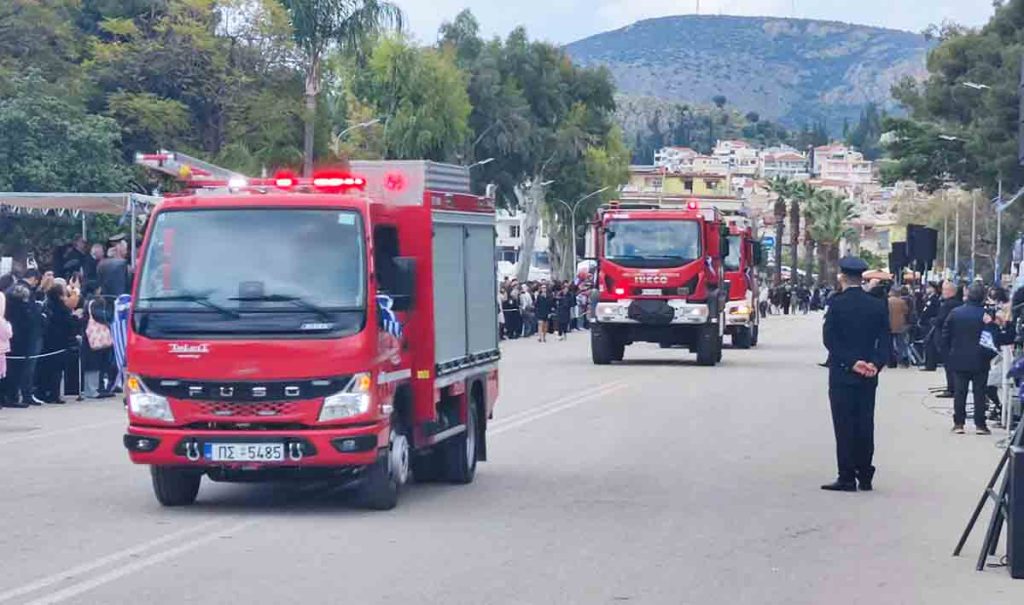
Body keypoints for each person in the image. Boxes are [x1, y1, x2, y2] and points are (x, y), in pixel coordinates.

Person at [821, 256, 889, 492]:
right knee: (865, 423)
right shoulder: (877, 304)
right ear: (862, 278)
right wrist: (875, 364)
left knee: (844, 425)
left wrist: (852, 362)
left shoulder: (837, 303)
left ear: (842, 276)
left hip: (843, 373)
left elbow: (830, 340)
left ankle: (847, 476)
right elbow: (886, 341)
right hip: (869, 375)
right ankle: (866, 474)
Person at [941, 283, 1002, 434]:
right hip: (980, 359)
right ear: (982, 296)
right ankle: (980, 424)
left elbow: (945, 335)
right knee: (979, 392)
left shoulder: (955, 313)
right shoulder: (986, 315)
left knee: (960, 392)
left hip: (959, 358)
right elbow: (995, 338)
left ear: (967, 295)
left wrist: (949, 353)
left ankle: (959, 424)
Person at [38, 283, 79, 404]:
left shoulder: (47, 305)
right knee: (57, 370)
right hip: (60, 342)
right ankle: (54, 394)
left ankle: (44, 392)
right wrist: (75, 319)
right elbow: (68, 324)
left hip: (48, 341)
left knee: (46, 369)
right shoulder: (62, 308)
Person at [934, 281, 962, 398]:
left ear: (951, 291)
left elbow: (941, 320)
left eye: (945, 290)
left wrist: (934, 321)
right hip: (954, 339)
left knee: (949, 366)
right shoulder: (958, 304)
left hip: (946, 339)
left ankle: (951, 388)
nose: (943, 292)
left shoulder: (947, 305)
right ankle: (954, 387)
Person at [919, 282, 941, 371]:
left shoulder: (934, 299)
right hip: (926, 323)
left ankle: (930, 364)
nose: (927, 289)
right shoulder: (929, 298)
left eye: (928, 287)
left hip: (929, 324)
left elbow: (929, 311)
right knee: (928, 344)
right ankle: (928, 363)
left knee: (930, 345)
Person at [887, 287, 911, 368]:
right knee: (901, 343)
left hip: (890, 325)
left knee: (890, 344)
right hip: (900, 325)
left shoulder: (887, 301)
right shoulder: (902, 302)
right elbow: (906, 311)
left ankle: (891, 361)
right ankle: (903, 360)